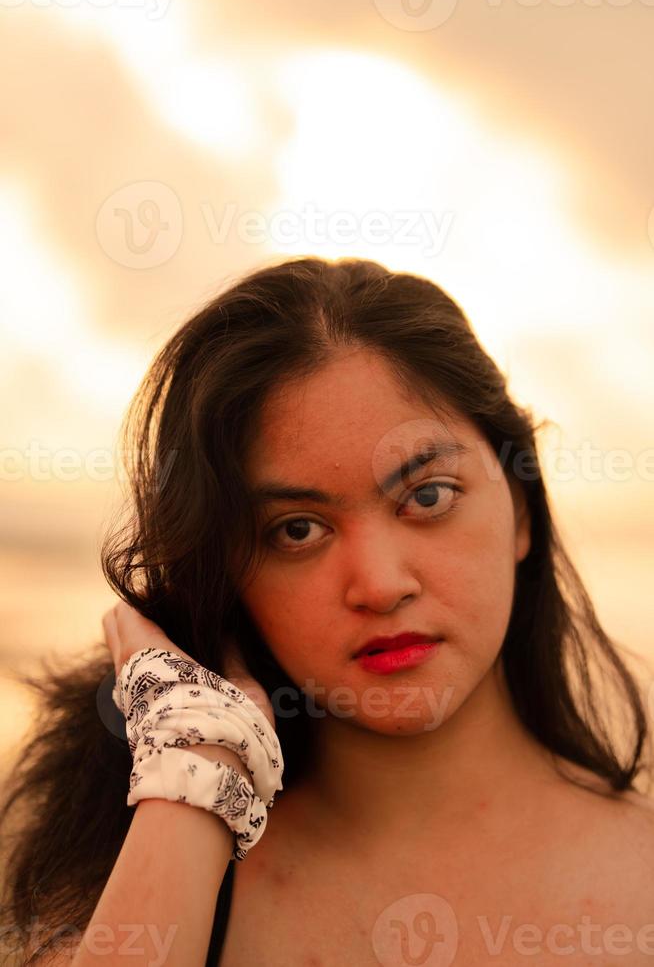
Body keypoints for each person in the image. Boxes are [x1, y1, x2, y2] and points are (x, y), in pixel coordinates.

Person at [1, 256, 653, 966]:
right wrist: (198, 763)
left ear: (521, 509)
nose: (377, 585)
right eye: (296, 530)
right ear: (228, 575)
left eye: (428, 496)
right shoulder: (145, 882)